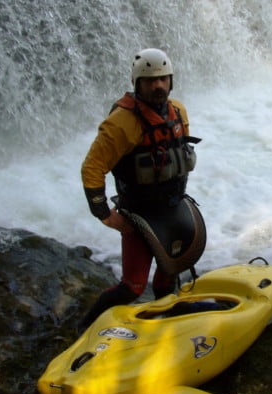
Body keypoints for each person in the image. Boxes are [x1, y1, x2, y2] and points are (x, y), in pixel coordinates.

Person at [78, 48, 204, 333]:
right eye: (150, 80)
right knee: (133, 286)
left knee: (169, 268)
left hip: (172, 206)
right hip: (139, 215)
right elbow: (92, 167)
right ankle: (84, 327)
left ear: (171, 81)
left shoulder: (178, 111)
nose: (157, 85)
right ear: (137, 83)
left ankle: (168, 316)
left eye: (162, 79)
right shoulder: (121, 123)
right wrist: (104, 213)